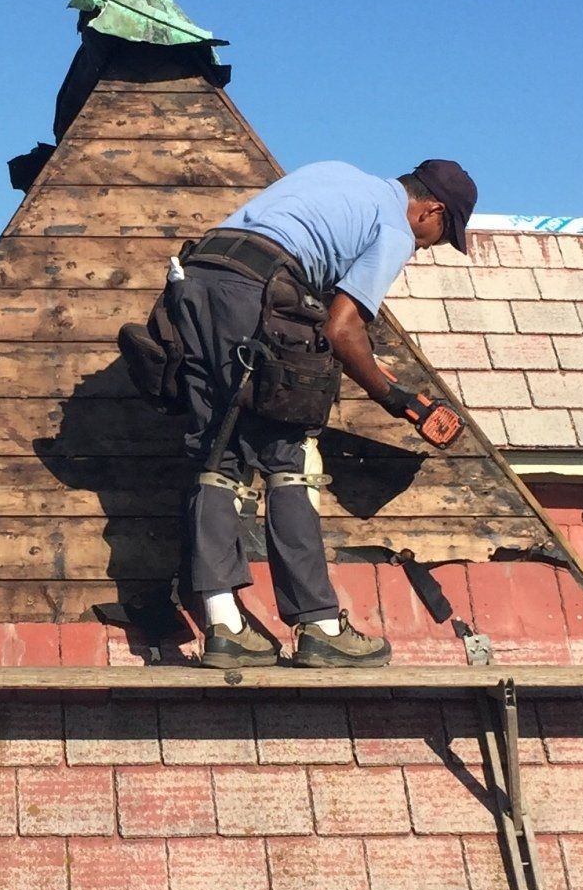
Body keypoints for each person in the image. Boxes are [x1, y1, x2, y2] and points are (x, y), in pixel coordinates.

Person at [167, 157, 477, 668]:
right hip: (255, 290)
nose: (425, 248)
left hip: (195, 279)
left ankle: (224, 626)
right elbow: (341, 330)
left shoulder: (337, 173)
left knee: (216, 454)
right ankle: (320, 626)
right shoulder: (395, 226)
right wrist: (394, 399)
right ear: (430, 211)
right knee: (288, 456)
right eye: (438, 237)